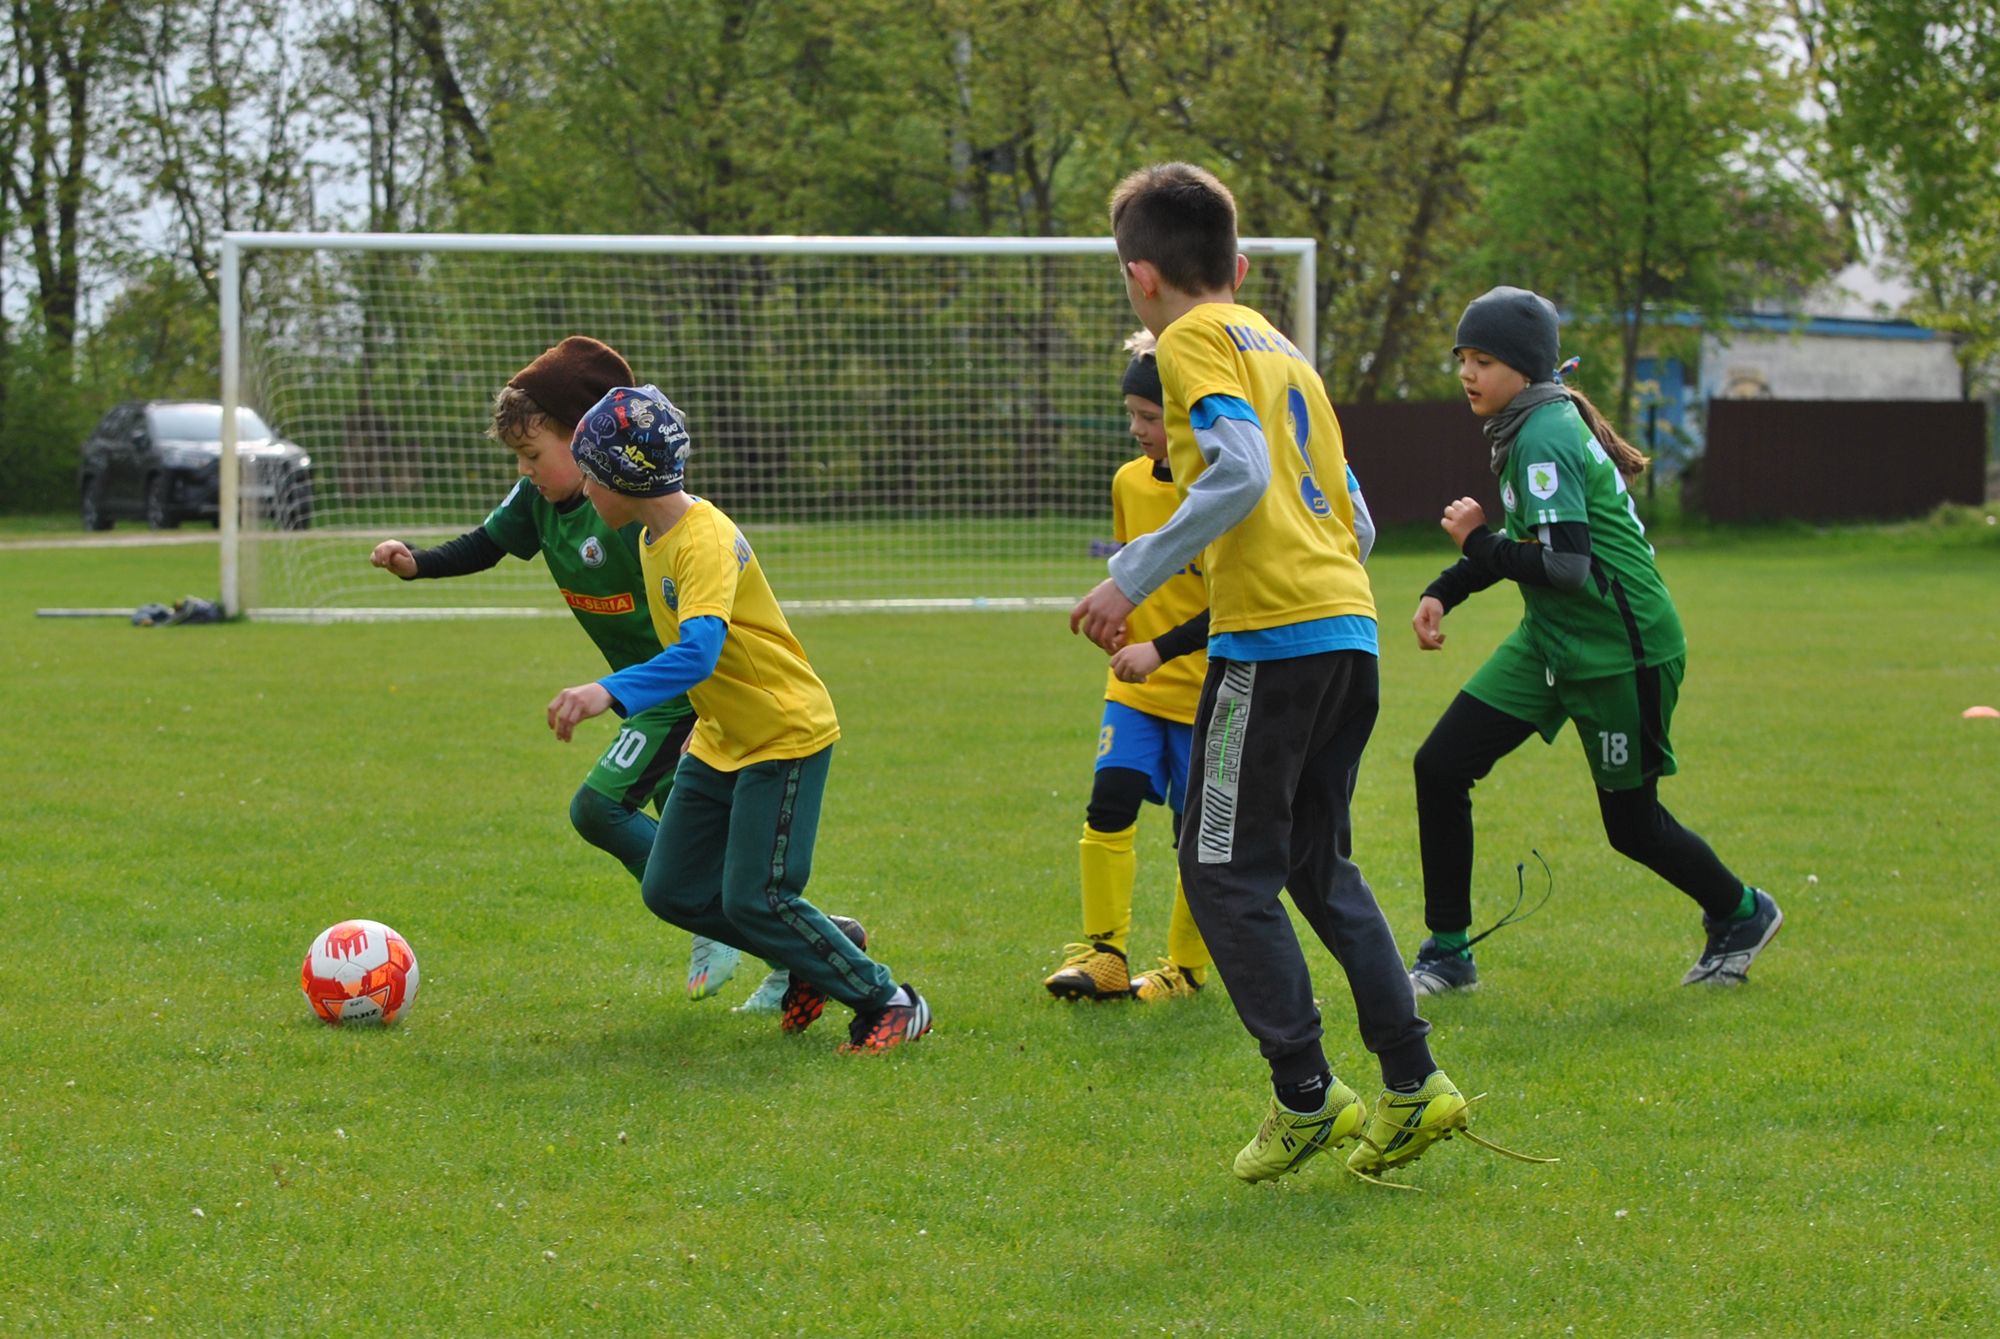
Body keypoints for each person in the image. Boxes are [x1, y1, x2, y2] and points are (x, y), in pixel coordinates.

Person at [1070, 162, 1490, 1184]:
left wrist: (1132, 576)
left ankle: (1305, 1096)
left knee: (1218, 871)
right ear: (1240, 263)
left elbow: (1241, 471)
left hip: (1274, 643)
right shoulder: (1283, 351)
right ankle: (1413, 1081)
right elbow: (1357, 518)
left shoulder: (1188, 341)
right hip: (1349, 628)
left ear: (1139, 276)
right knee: (1313, 862)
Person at [1407, 286, 1781, 995]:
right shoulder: (1529, 424)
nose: (1467, 372)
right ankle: (1448, 951)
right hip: (1551, 641)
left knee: (1632, 828)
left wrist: (1478, 541)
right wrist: (1445, 587)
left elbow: (1565, 567)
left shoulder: (1543, 434)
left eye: (1483, 358)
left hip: (1621, 652)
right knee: (1441, 764)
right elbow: (1534, 546)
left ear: (1524, 367)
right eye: (1463, 357)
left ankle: (1741, 911)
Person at [367, 336, 755, 1006]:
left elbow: (702, 615)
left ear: (584, 439)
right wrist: (417, 563)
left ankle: (706, 916)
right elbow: (485, 544)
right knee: (713, 848)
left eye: (533, 454)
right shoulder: (536, 502)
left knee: (600, 809)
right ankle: (800, 946)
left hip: (681, 694)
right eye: (518, 458)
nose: (526, 471)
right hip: (639, 699)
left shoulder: (639, 510)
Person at [547, 384, 931, 1054]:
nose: (581, 484)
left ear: (622, 474)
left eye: (588, 470)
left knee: (758, 894)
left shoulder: (704, 539)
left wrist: (606, 691)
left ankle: (888, 999)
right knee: (669, 887)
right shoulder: (650, 538)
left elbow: (699, 651)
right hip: (721, 738)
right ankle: (820, 942)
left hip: (783, 733)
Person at [1044, 330, 1215, 1005]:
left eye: (1152, 417)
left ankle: (1187, 967)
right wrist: (1120, 622)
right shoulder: (1128, 482)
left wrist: (1160, 647)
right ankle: (1105, 954)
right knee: (1108, 803)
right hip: (1136, 685)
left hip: (1207, 690)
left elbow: (1233, 604)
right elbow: (1135, 573)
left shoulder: (1224, 494)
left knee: (1195, 835)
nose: (1138, 429)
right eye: (1133, 416)